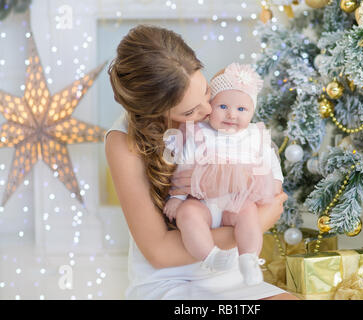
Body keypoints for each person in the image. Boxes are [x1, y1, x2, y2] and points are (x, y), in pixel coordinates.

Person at [105, 24, 298, 300]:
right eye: (191, 110)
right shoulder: (123, 141)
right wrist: (257, 223)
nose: (209, 110)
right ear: (155, 112)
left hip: (233, 275)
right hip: (171, 282)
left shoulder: (219, 104)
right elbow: (160, 252)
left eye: (206, 91)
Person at [163, 62, 283, 286]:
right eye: (223, 106)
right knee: (187, 214)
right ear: (210, 107)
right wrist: (177, 198)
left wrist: (275, 182)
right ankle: (211, 256)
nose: (231, 115)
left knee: (248, 215)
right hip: (202, 201)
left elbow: (269, 162)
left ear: (251, 112)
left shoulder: (254, 136)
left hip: (235, 202)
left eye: (241, 109)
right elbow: (184, 165)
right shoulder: (198, 132)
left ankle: (249, 259)